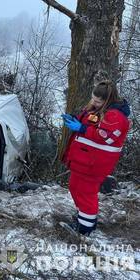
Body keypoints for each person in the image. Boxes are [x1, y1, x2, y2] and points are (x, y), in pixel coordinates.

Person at [61, 80, 131, 236]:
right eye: (93, 98)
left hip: (94, 164)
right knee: (74, 187)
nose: (94, 102)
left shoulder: (116, 116)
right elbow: (91, 121)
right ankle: (83, 217)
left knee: (86, 193)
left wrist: (81, 128)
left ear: (107, 100)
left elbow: (106, 136)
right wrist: (75, 119)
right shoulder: (99, 109)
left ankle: (85, 228)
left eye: (98, 101)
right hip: (83, 160)